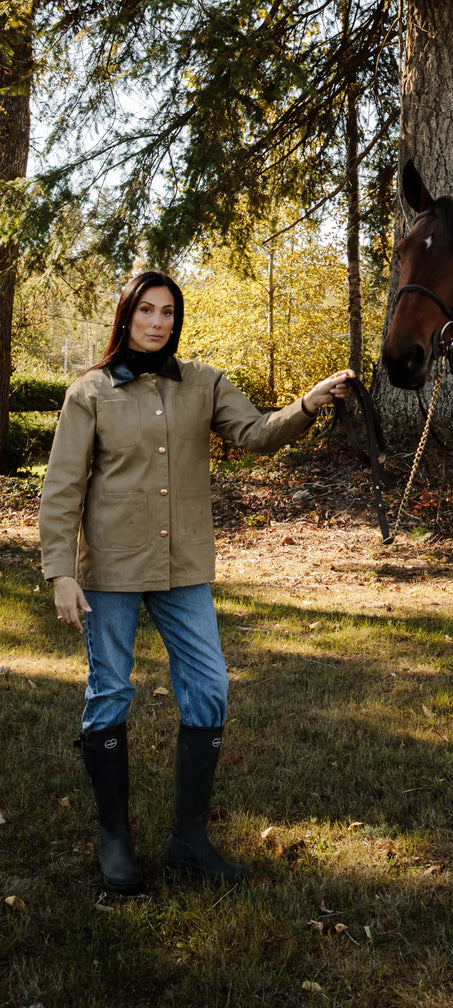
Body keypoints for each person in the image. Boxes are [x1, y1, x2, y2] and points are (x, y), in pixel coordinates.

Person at [38, 270, 354, 894]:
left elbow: (256, 433)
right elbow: (62, 487)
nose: (157, 322)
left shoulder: (203, 384)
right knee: (109, 694)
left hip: (184, 569)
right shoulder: (90, 393)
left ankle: (188, 841)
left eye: (168, 313)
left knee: (209, 689)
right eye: (146, 310)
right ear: (126, 316)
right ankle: (116, 844)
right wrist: (60, 574)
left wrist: (308, 403)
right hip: (112, 570)